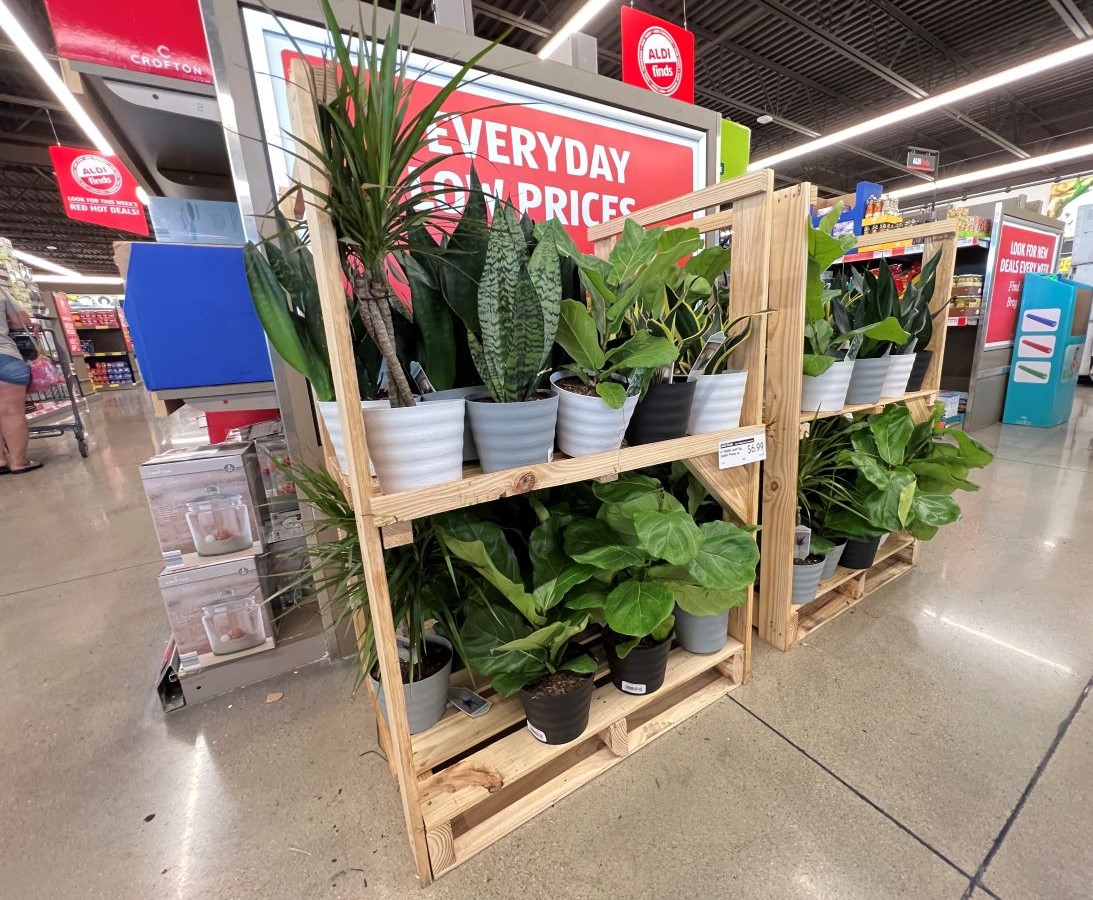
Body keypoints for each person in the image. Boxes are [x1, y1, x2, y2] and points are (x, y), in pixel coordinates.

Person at [0, 286, 41, 474]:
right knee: (11, 412)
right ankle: (18, 462)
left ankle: (0, 461)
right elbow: (20, 321)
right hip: (4, 355)